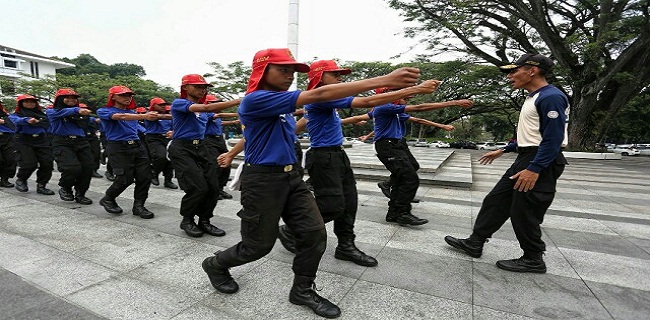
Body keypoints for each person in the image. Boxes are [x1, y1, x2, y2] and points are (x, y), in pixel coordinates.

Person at [203, 48, 422, 319]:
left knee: (315, 234)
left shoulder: (279, 104)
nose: (289, 76)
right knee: (257, 246)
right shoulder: (256, 99)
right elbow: (318, 95)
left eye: (292, 72)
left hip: (292, 177)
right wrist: (384, 80)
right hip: (263, 182)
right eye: (282, 69)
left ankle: (302, 290)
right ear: (262, 71)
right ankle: (215, 264)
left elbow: (264, 132)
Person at [276, 60, 440, 268]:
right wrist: (414, 88)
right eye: (334, 74)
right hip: (323, 157)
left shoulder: (324, 100)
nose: (340, 78)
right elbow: (367, 102)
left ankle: (346, 246)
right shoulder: (321, 97)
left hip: (337, 155)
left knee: (349, 204)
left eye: (340, 75)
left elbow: (305, 122)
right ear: (319, 76)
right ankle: (291, 230)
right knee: (332, 206)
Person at [444, 53, 568, 273]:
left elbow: (553, 139)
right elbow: (530, 135)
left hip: (540, 160)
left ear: (532, 70)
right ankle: (475, 242)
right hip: (527, 156)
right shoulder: (532, 97)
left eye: (514, 71)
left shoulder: (550, 97)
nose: (509, 76)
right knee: (496, 201)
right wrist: (505, 149)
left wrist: (534, 169)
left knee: (525, 210)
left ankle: (533, 258)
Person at [349, 89, 472, 226]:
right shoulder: (385, 107)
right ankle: (402, 213)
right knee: (410, 179)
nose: (406, 99)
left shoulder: (392, 110)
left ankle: (393, 211)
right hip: (388, 146)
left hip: (395, 144)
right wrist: (454, 102)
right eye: (403, 97)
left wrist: (350, 122)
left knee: (407, 172)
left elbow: (368, 118)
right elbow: (420, 108)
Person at [168, 74, 241, 237]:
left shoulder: (202, 111)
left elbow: (216, 114)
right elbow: (207, 108)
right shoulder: (180, 103)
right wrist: (239, 101)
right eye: (198, 86)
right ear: (185, 87)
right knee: (197, 187)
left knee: (213, 187)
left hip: (201, 148)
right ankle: (187, 220)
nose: (203, 90)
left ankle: (205, 220)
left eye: (204, 87)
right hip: (182, 149)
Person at [97, 85, 160, 219]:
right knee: (125, 179)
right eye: (123, 95)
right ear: (113, 97)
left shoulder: (133, 113)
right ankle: (108, 198)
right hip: (118, 147)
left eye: (129, 95)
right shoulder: (104, 111)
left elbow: (137, 124)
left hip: (136, 146)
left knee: (145, 177)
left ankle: (139, 206)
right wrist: (145, 115)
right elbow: (121, 116)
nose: (127, 98)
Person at [46, 89, 95, 204]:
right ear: (59, 99)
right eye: (67, 97)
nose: (71, 100)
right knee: (71, 168)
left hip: (81, 141)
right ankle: (65, 187)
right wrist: (78, 110)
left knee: (87, 168)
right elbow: (65, 112)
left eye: (74, 98)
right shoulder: (52, 111)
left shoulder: (80, 114)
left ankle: (80, 194)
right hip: (63, 142)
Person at [9, 94, 55, 195]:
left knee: (47, 163)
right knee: (29, 164)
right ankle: (21, 179)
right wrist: (27, 120)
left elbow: (49, 126)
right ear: (21, 104)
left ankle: (42, 185)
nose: (30, 104)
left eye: (32, 102)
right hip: (24, 140)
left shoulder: (42, 115)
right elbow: (15, 121)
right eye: (27, 102)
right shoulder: (15, 115)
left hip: (41, 140)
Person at [203, 94, 239, 200]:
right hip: (209, 140)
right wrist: (237, 114)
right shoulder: (206, 113)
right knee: (216, 166)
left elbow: (220, 122)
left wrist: (233, 122)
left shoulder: (215, 114)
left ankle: (220, 189)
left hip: (219, 140)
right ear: (208, 104)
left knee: (226, 164)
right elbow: (217, 117)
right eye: (215, 103)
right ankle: (214, 190)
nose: (219, 105)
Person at [144, 97, 177, 189]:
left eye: (164, 105)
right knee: (160, 156)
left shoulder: (168, 116)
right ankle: (154, 173)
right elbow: (156, 117)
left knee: (169, 159)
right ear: (153, 106)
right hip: (154, 138)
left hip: (167, 138)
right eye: (160, 105)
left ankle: (168, 180)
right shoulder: (150, 114)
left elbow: (174, 126)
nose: (163, 106)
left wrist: (172, 132)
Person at [79, 103, 103, 178]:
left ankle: (94, 170)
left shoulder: (91, 118)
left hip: (92, 137)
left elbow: (97, 123)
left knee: (96, 153)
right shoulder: (74, 118)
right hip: (81, 137)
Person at [0, 101, 17, 188]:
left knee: (10, 159)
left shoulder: (6, 115)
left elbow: (12, 125)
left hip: (7, 137)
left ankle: (5, 179)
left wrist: (4, 121)